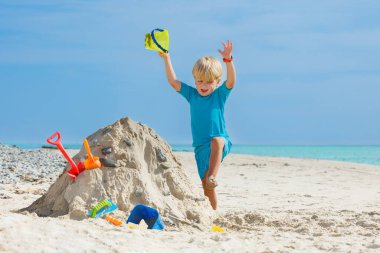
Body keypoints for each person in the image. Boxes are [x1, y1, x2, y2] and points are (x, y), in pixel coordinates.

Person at [159, 40, 236, 210]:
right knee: (207, 189)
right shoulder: (192, 95)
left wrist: (228, 60)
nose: (203, 85)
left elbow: (231, 81)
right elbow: (173, 81)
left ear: (216, 82)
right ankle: (213, 213)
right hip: (200, 147)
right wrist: (166, 58)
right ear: (195, 80)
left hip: (220, 141)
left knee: (216, 141)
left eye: (208, 82)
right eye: (199, 81)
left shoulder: (219, 96)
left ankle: (213, 176)